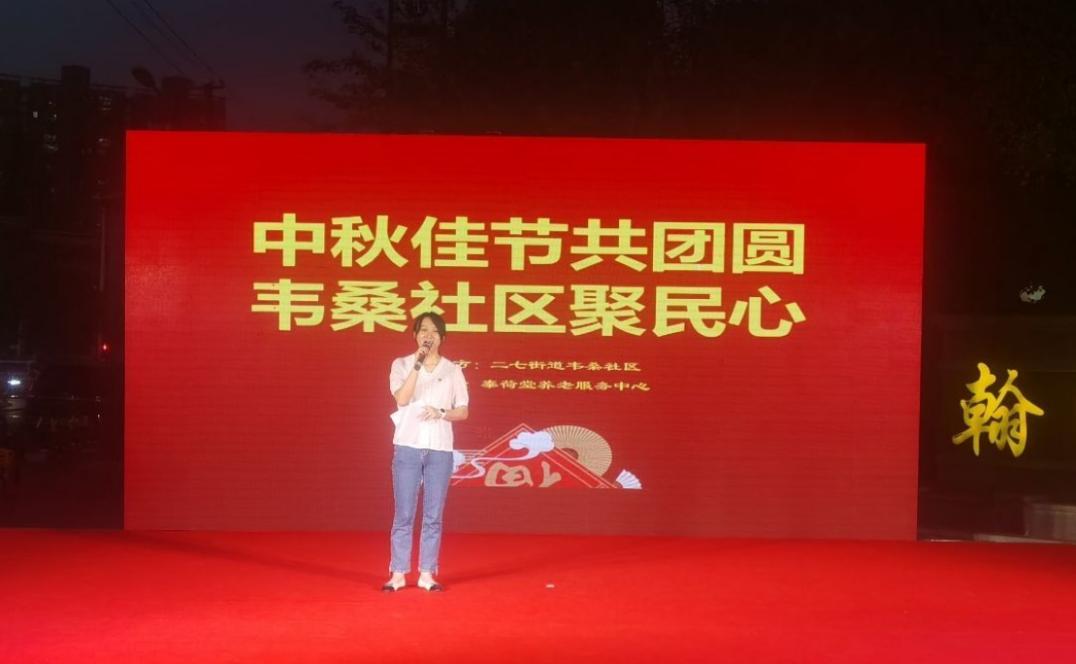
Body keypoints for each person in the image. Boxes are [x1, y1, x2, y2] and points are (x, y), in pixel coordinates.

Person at [383, 312, 469, 592]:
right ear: (415, 336)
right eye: (423, 330)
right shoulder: (401, 364)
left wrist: (442, 412)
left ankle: (427, 573)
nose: (428, 335)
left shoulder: (452, 370)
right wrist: (417, 364)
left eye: (433, 331)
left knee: (433, 515)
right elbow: (402, 399)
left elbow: (463, 411)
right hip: (408, 445)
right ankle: (398, 573)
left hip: (439, 449)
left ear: (442, 337)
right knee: (404, 513)